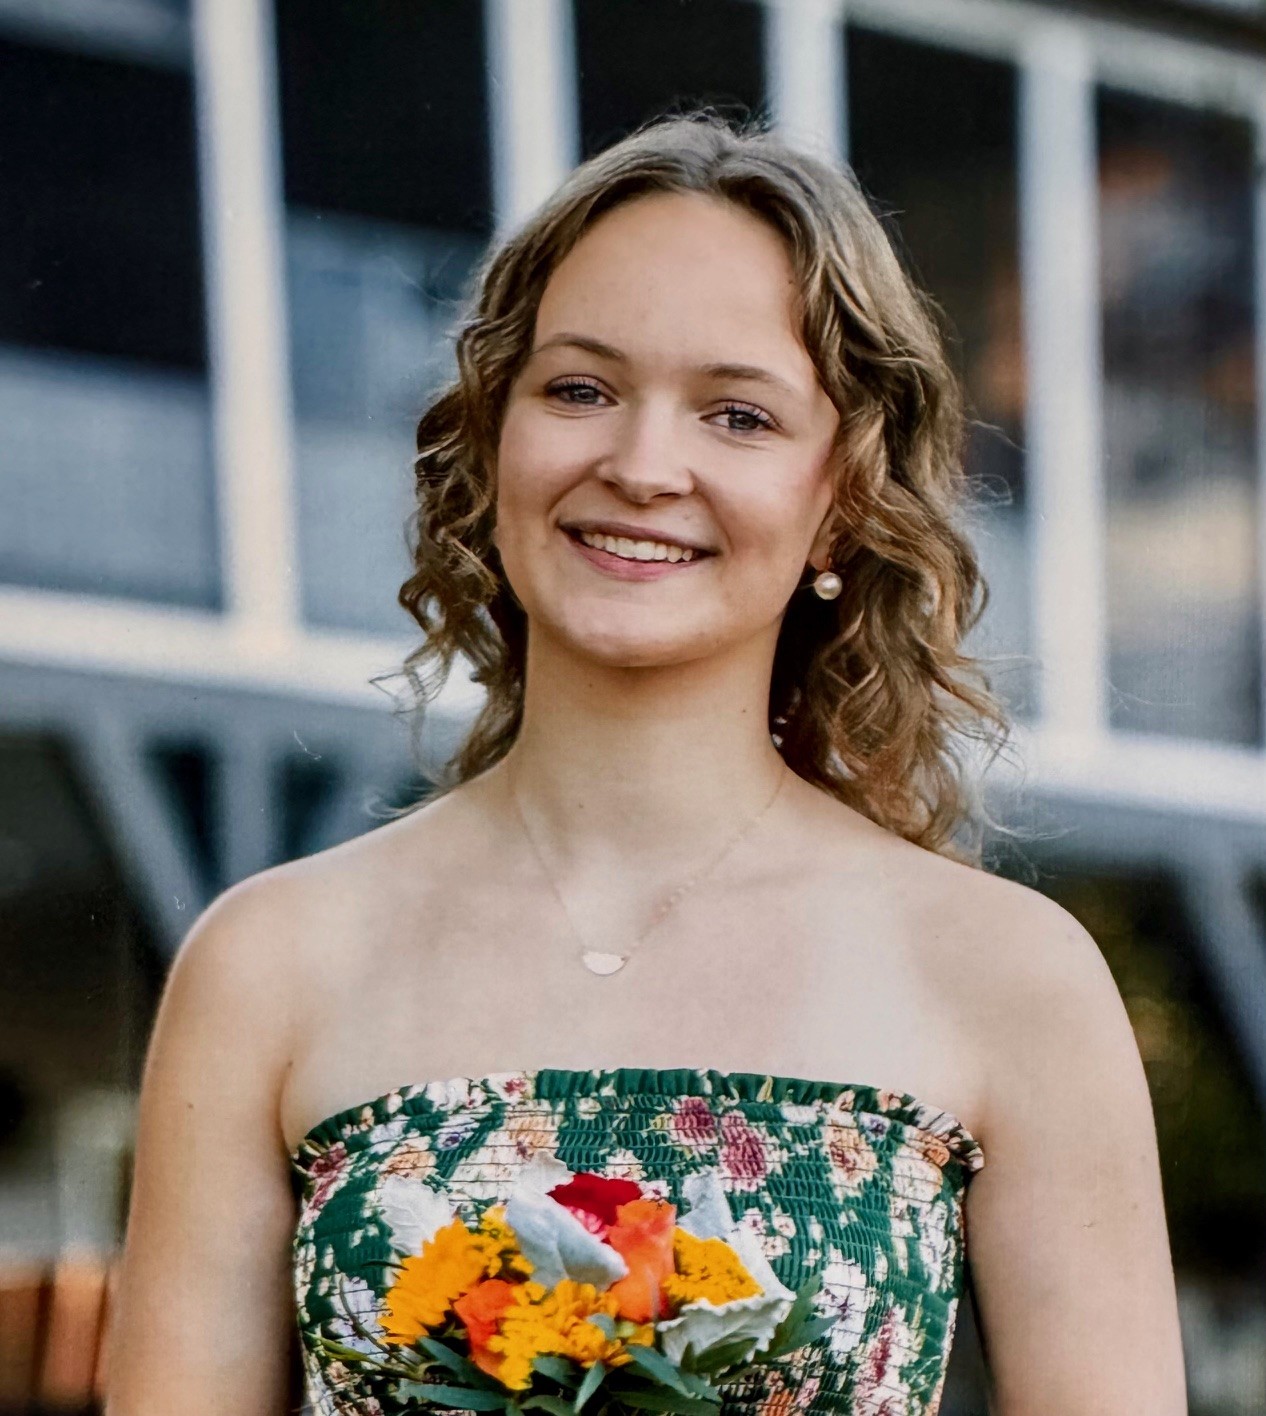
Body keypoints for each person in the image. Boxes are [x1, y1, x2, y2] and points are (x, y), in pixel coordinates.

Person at [106, 112, 1186, 1414]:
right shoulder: (270, 961)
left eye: (737, 415)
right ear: (491, 442)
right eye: (580, 391)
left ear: (842, 501)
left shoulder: (1010, 976)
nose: (640, 465)